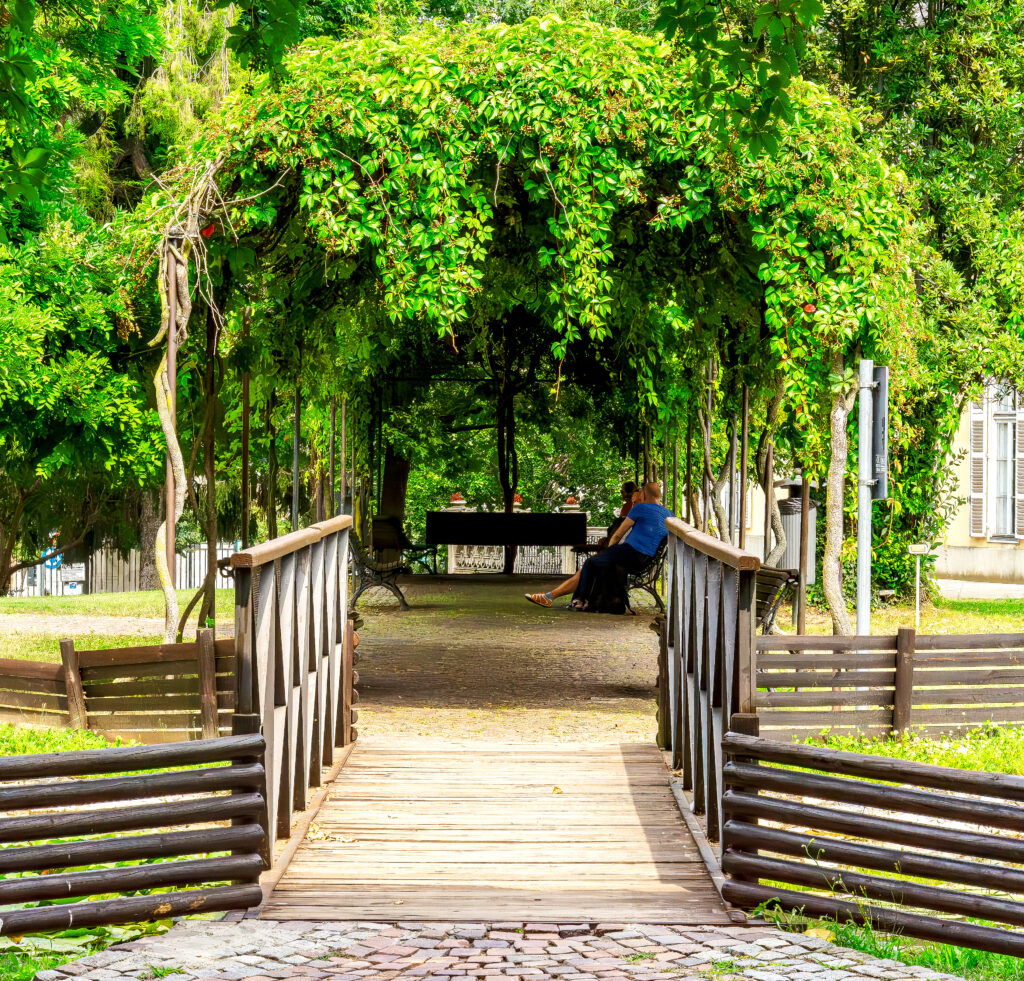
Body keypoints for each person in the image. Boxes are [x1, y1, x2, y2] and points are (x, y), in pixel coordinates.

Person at [526, 481, 673, 610]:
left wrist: (609, 551)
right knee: (594, 565)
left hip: (630, 552)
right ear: (659, 495)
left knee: (590, 563)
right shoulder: (669, 515)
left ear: (644, 495)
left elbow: (617, 534)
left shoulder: (640, 509)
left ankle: (577, 601)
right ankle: (553, 597)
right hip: (645, 560)